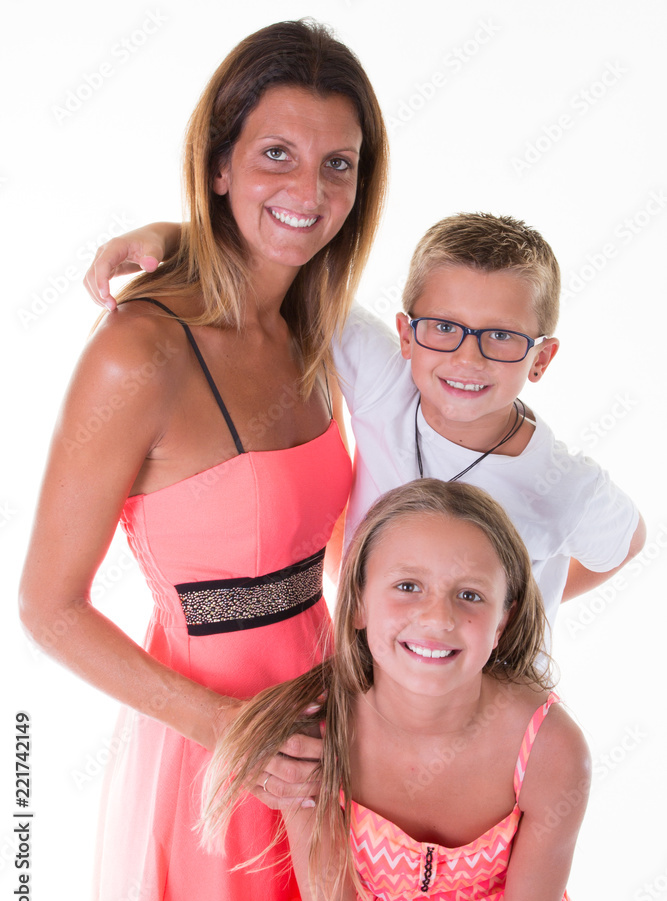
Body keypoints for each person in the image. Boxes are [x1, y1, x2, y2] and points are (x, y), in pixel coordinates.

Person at [19, 19, 388, 901]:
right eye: (275, 155)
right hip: (212, 753)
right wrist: (236, 735)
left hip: (332, 731)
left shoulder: (319, 325)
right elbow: (46, 607)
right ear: (216, 164)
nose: (309, 192)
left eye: (337, 164)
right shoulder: (136, 354)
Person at [87, 213, 645, 633]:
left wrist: (514, 619)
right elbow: (286, 266)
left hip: (486, 724)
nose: (467, 359)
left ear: (541, 359)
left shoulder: (562, 483)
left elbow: (624, 544)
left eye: (501, 336)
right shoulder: (386, 383)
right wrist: (172, 237)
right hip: (364, 701)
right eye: (443, 327)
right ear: (405, 334)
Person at [200, 478, 590, 901]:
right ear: (359, 601)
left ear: (503, 620)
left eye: (470, 595)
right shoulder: (317, 732)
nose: (437, 618)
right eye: (408, 586)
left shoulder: (550, 749)